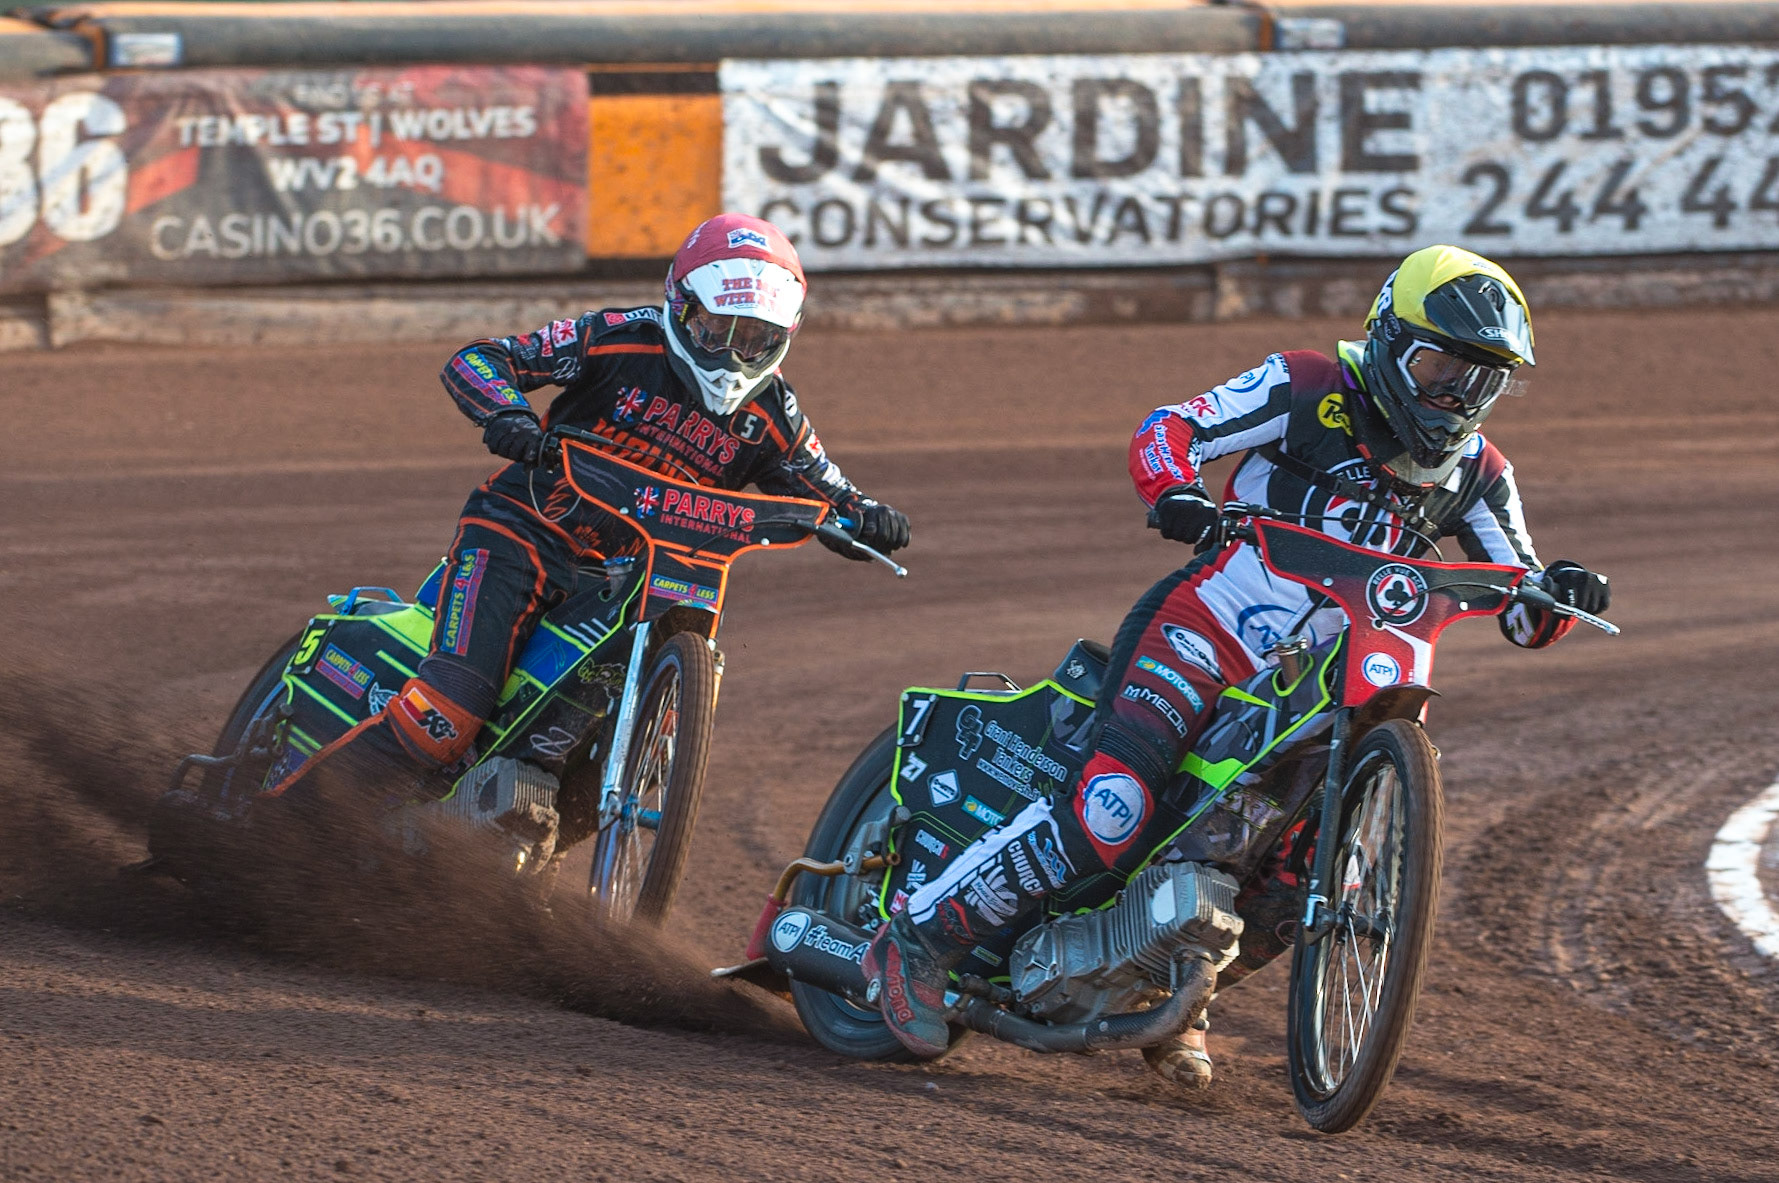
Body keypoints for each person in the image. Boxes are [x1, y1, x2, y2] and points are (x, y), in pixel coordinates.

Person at [862, 245, 1609, 1086]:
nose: (1455, 396)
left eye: (1481, 381)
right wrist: (1176, 491)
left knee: (1307, 877)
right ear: (1390, 338)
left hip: (1336, 684)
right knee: (1112, 809)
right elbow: (1170, 427)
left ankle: (1174, 996)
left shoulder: (1481, 472)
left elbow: (1524, 606)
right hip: (1208, 629)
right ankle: (918, 937)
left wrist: (1560, 592)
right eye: (1441, 366)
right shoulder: (1305, 385)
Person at [269, 213, 909, 807]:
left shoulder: (775, 416)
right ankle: (274, 827)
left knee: (635, 770)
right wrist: (509, 418)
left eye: (757, 338)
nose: (733, 354)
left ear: (784, 337)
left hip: (629, 585)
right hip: (521, 537)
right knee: (448, 716)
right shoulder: (615, 339)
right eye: (719, 328)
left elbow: (832, 493)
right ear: (681, 308)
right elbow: (481, 359)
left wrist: (869, 517)